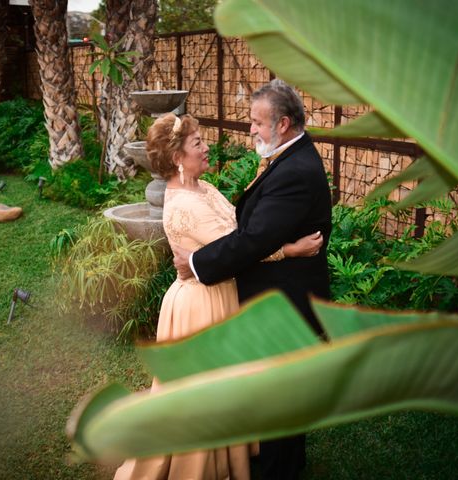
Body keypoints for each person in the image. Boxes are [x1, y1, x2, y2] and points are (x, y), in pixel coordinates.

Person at [113, 112, 323, 480]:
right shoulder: (183, 206)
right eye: (197, 143)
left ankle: (230, 455)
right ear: (178, 157)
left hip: (221, 293)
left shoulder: (202, 187)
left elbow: (241, 229)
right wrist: (290, 250)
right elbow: (238, 247)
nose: (207, 146)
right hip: (201, 304)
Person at [173, 79, 333, 480]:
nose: (250, 129)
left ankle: (280, 469)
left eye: (256, 122)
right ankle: (283, 460)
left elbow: (255, 239)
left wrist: (196, 263)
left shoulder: (295, 169)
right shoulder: (290, 156)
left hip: (285, 302)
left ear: (282, 124)